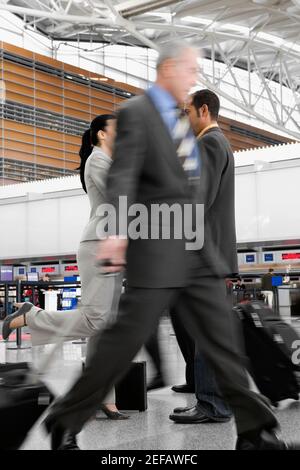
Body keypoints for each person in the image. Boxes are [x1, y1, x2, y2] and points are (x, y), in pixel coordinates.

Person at [42, 42, 299, 451]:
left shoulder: (181, 123)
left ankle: (255, 432)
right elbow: (124, 175)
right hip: (158, 249)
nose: (194, 76)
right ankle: (64, 418)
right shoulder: (136, 113)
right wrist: (119, 233)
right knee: (123, 339)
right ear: (168, 68)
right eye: (189, 69)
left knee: (222, 341)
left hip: (196, 252)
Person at [2, 114, 128, 422]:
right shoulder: (98, 161)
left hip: (112, 246)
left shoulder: (109, 161)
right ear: (100, 134)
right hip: (99, 246)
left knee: (106, 327)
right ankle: (29, 316)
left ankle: (102, 397)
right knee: (96, 319)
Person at [169, 90, 234, 424]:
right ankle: (211, 397)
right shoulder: (219, 143)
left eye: (187, 111)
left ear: (203, 110)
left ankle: (212, 404)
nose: (185, 118)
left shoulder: (209, 144)